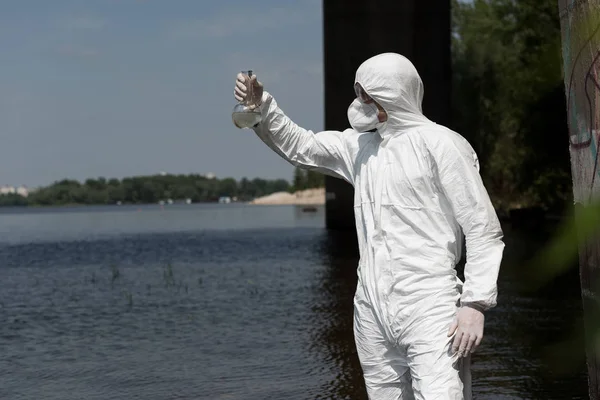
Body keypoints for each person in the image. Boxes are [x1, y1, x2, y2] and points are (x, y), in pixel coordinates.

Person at [233, 52, 504, 400]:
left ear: (391, 93)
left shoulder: (443, 145)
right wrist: (261, 106)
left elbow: (483, 229)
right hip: (372, 307)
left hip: (430, 302)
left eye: (366, 93)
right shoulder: (360, 148)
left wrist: (474, 304)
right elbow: (302, 146)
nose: (359, 101)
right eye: (358, 91)